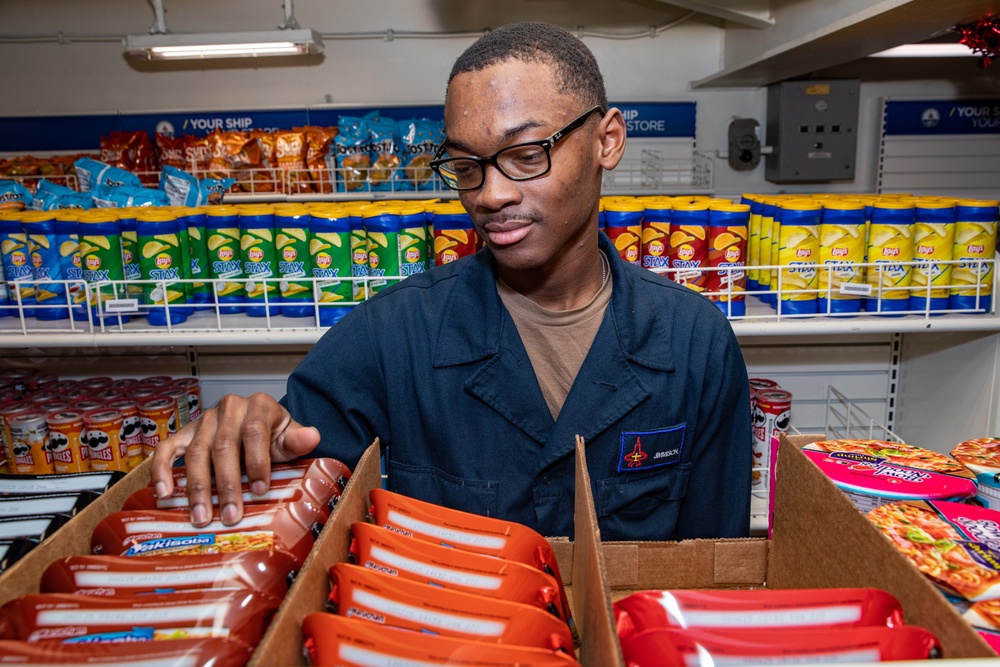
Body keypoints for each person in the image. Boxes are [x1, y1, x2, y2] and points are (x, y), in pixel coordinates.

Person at [151, 21, 751, 541]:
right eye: (466, 167)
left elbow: (717, 570)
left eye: (526, 155)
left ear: (607, 141)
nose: (490, 196)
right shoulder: (393, 335)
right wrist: (249, 432)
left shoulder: (695, 342)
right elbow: (289, 450)